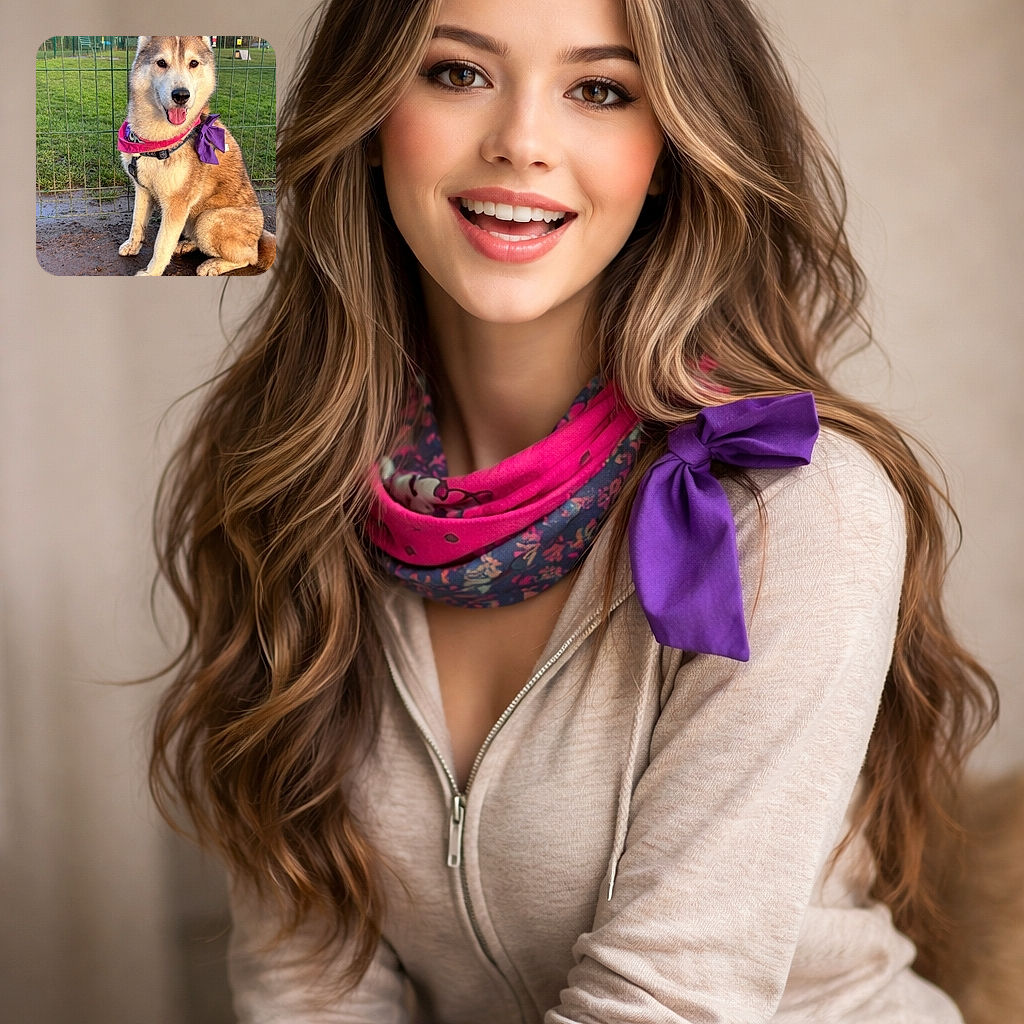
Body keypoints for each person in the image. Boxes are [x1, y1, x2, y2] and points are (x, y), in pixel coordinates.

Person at [149, 0, 998, 1019]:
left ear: (672, 151)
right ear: (370, 117)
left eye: (599, 89)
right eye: (457, 73)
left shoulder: (794, 503)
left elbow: (667, 1001)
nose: (521, 142)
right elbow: (308, 985)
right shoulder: (290, 487)